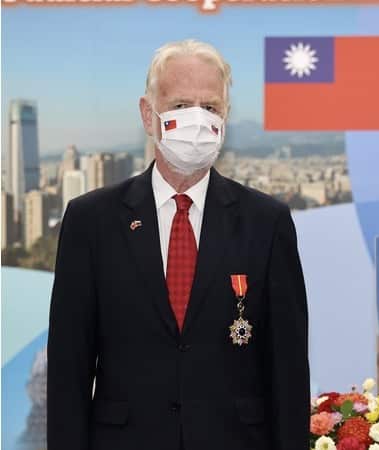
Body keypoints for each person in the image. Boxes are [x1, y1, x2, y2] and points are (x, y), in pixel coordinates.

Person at [47, 39, 309, 450]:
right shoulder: (91, 221)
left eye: (211, 107)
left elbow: (288, 370)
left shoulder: (266, 222)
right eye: (181, 104)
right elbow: (68, 370)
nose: (197, 120)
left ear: (225, 116)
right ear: (147, 113)